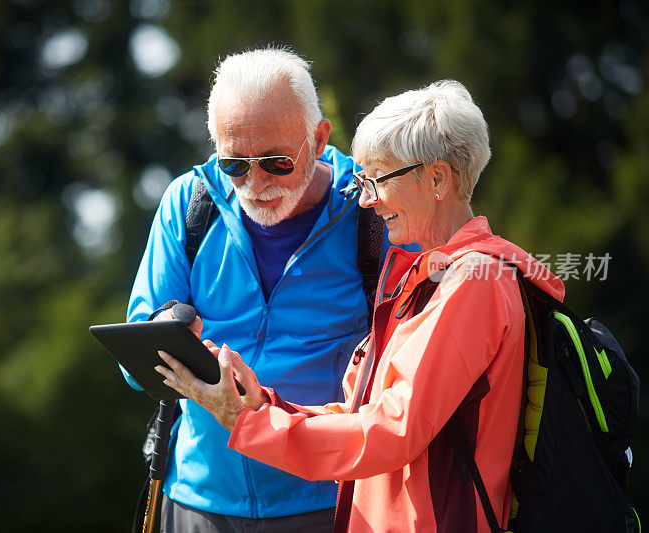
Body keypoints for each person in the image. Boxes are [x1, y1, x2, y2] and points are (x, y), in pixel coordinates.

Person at [155, 80, 567, 532]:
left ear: (437, 178)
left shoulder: (473, 283)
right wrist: (260, 406)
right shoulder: (429, 275)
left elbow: (392, 430)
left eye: (376, 180)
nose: (366, 199)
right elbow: (361, 412)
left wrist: (245, 423)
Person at [125, 47, 411, 532]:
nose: (255, 183)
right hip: (198, 499)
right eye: (233, 164)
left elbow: (419, 363)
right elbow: (134, 360)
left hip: (332, 497)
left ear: (319, 139)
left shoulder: (376, 214)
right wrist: (163, 335)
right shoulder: (187, 204)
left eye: (277, 162)